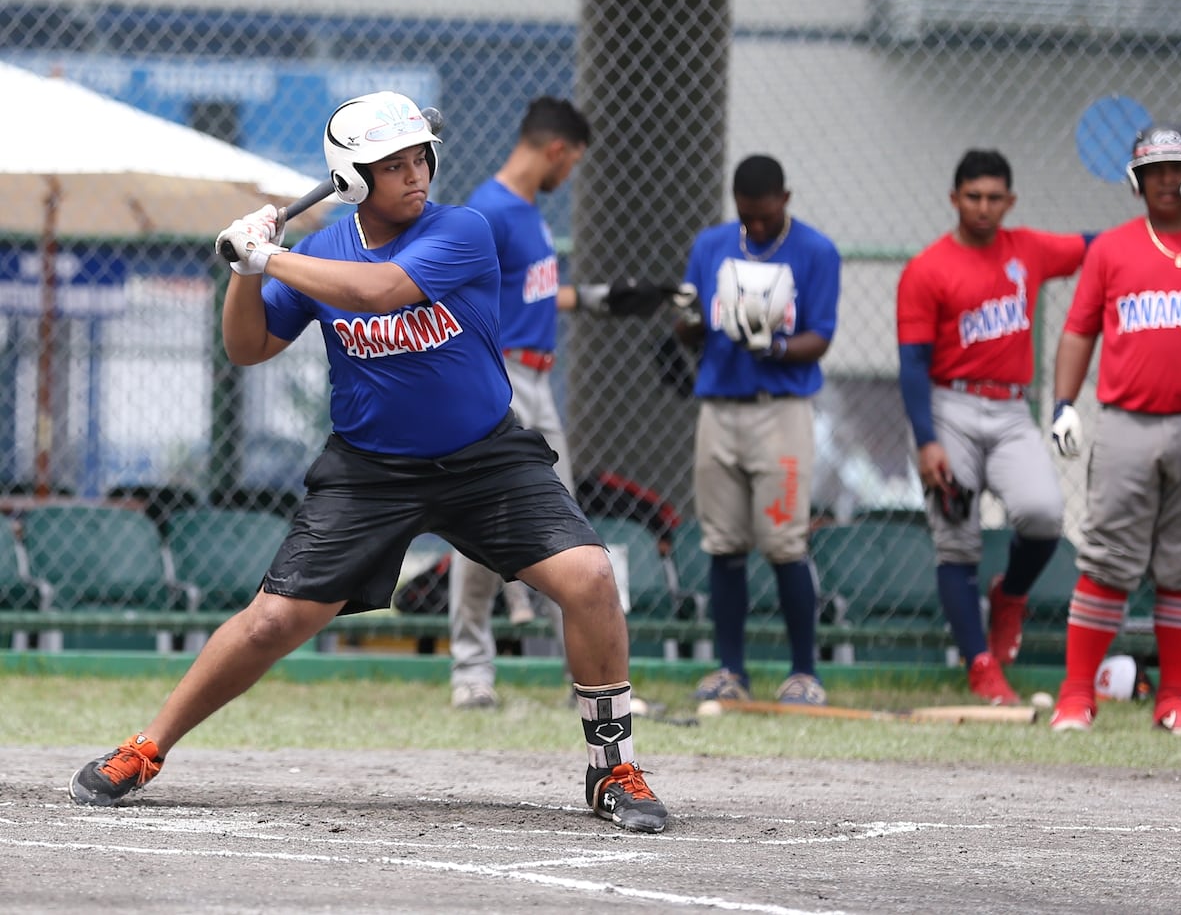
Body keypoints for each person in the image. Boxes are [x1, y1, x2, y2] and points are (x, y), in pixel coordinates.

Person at [66, 91, 669, 833]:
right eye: (393, 166)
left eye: (420, 158)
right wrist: (245, 271)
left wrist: (272, 253)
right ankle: (146, 746)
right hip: (369, 471)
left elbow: (383, 293)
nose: (416, 175)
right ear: (352, 179)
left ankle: (613, 769)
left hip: (486, 458)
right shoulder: (319, 252)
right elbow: (247, 348)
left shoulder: (464, 230)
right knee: (271, 621)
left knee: (590, 576)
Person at [448, 96, 666, 709]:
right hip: (502, 376)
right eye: (572, 162)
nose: (570, 174)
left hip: (539, 381)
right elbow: (447, 295)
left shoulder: (528, 214)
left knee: (560, 528)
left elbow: (532, 296)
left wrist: (602, 298)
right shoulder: (489, 211)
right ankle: (471, 672)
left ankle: (586, 678)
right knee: (482, 525)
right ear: (556, 150)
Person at [896, 149, 1090, 705]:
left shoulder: (1027, 248)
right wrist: (927, 440)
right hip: (948, 405)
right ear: (954, 198)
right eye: (973, 196)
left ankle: (1011, 596)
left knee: (1044, 513)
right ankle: (981, 665)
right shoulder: (928, 268)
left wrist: (1166, 213)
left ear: (1010, 201)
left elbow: (1099, 246)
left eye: (994, 198)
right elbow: (911, 364)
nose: (983, 207)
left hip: (1009, 410)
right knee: (956, 540)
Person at [1048, 123, 1181, 735]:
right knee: (1107, 558)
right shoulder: (1111, 248)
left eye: (1178, 167)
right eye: (1155, 170)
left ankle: (1174, 699)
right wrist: (1063, 403)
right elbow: (1080, 330)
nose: (1167, 180)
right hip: (1126, 423)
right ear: (1137, 182)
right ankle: (1076, 695)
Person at [674, 154, 840, 706]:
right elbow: (690, 327)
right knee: (723, 543)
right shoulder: (713, 244)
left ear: (785, 200)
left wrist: (774, 346)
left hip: (781, 408)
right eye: (748, 217)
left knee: (785, 542)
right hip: (720, 405)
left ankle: (802, 672)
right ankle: (730, 670)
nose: (757, 226)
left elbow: (820, 335)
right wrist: (688, 319)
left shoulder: (815, 251)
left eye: (766, 216)